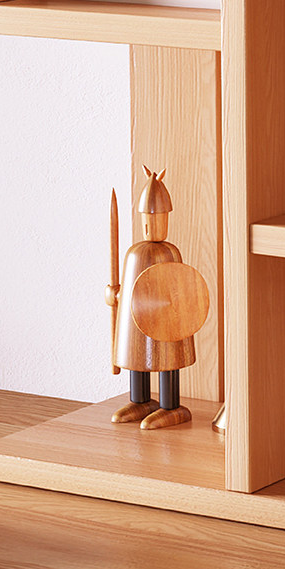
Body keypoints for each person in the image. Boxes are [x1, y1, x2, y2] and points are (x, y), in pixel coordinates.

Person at [106, 167, 209, 430]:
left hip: (168, 323)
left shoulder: (170, 253)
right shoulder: (134, 254)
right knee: (137, 361)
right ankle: (140, 401)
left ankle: (170, 406)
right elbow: (128, 291)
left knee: (167, 361)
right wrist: (114, 295)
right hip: (135, 322)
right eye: (148, 219)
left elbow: (181, 290)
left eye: (157, 218)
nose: (151, 224)